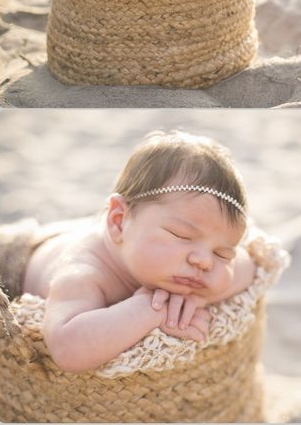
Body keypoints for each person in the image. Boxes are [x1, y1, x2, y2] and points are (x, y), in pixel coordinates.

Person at [22, 131, 256, 373]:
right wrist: (150, 309)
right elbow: (67, 350)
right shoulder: (83, 273)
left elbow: (249, 265)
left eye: (222, 253)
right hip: (24, 255)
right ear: (119, 221)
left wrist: (196, 298)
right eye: (181, 235)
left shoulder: (164, 254)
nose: (205, 261)